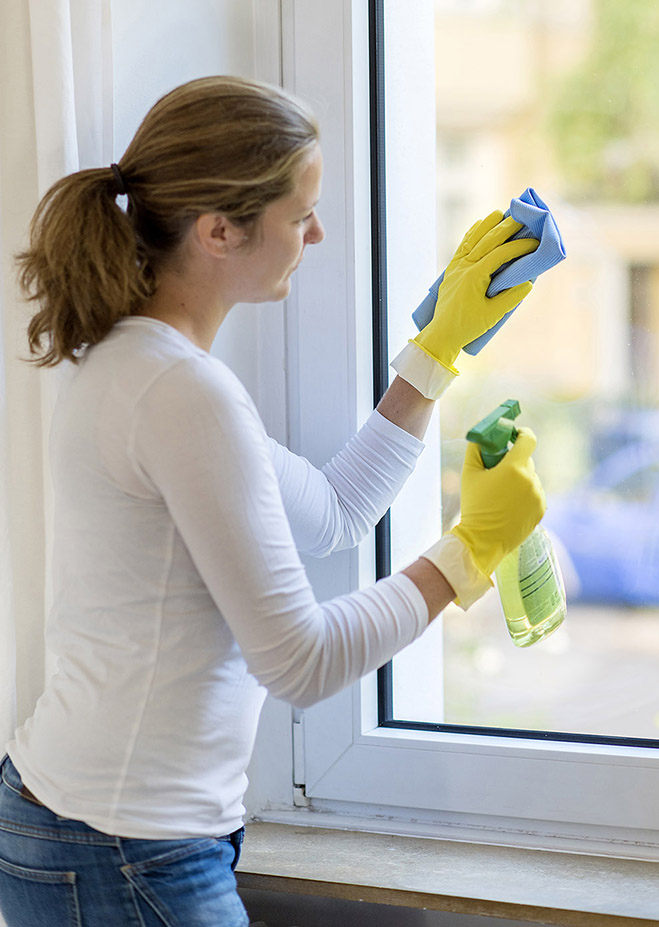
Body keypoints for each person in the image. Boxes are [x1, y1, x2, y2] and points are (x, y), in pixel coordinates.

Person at [0, 75, 545, 927]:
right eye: (301, 215)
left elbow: (334, 510)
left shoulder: (141, 363)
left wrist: (435, 352)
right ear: (221, 231)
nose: (317, 233)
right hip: (120, 843)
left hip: (96, 827)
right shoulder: (181, 391)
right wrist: (467, 552)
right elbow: (300, 662)